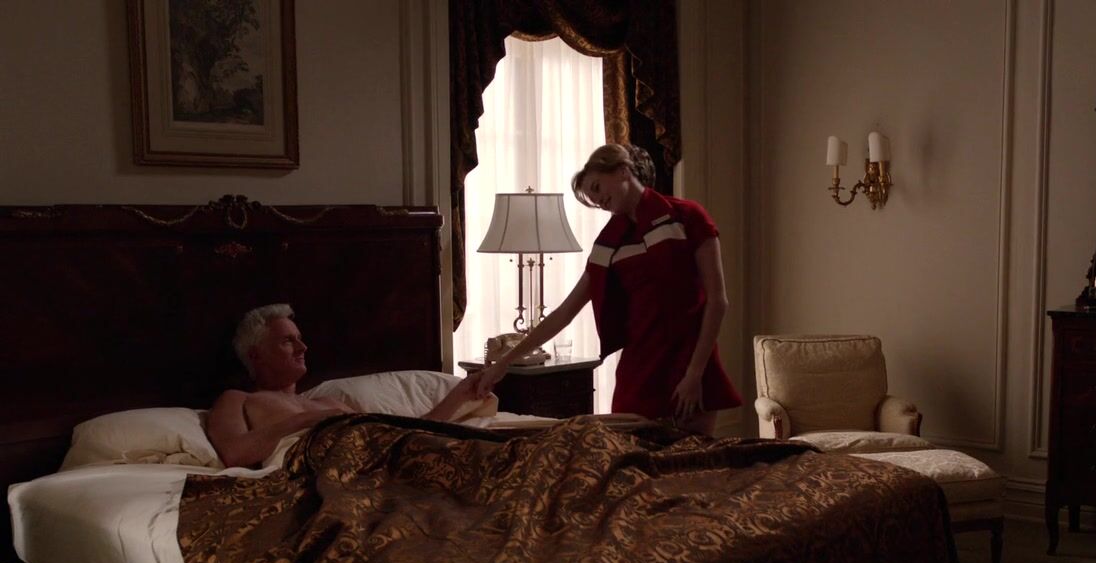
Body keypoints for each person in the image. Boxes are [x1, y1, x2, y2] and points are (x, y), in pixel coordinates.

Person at [475, 144, 741, 435]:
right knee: (628, 458)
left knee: (695, 457)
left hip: (689, 360)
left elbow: (717, 301)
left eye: (597, 188)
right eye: (594, 201)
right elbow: (564, 313)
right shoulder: (608, 244)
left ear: (623, 171)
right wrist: (503, 363)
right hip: (639, 368)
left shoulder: (687, 216)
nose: (599, 201)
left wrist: (695, 373)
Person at [207, 303, 484, 468]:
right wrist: (309, 420)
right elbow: (234, 452)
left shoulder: (328, 403)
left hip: (382, 462)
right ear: (256, 355)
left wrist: (459, 395)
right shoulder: (238, 399)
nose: (303, 347)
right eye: (287, 341)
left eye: (299, 338)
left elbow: (401, 435)